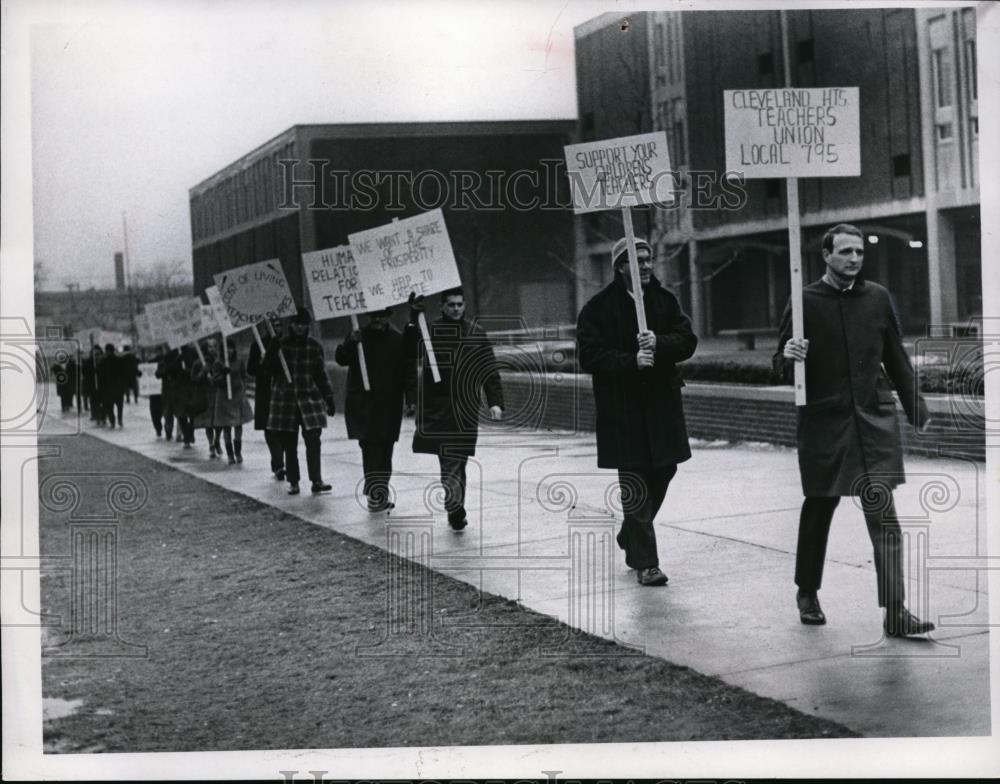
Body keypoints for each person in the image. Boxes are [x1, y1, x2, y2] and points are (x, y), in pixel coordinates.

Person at [775, 223, 935, 637]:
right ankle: (807, 592)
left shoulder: (878, 297)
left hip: (872, 420)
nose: (854, 259)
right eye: (845, 252)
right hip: (825, 423)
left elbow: (895, 356)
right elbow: (780, 364)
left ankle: (896, 610)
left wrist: (917, 408)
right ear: (826, 255)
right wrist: (788, 355)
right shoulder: (804, 299)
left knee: (885, 519)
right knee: (819, 508)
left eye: (859, 252)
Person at [577, 236, 698, 587]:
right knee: (635, 481)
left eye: (648, 259)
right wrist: (631, 361)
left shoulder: (664, 301)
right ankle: (647, 564)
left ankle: (632, 531)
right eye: (637, 260)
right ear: (620, 267)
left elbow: (687, 341)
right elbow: (590, 355)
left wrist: (659, 344)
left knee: (665, 468)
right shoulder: (598, 309)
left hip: (661, 405)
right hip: (623, 409)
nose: (646, 265)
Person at [406, 288, 503, 531]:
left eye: (460, 304)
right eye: (451, 305)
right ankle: (455, 508)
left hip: (466, 409)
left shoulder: (475, 333)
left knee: (459, 462)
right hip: (439, 409)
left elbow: (489, 371)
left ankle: (455, 506)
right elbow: (410, 349)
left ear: (465, 305)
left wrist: (495, 402)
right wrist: (412, 316)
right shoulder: (430, 331)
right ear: (442, 306)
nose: (456, 309)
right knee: (449, 461)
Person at [335, 307, 416, 512]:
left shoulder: (397, 340)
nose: (378, 320)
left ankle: (379, 493)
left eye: (381, 316)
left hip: (389, 402)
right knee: (371, 449)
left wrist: (411, 399)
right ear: (369, 317)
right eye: (374, 316)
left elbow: (408, 370)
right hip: (365, 402)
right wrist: (350, 342)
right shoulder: (358, 337)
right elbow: (342, 359)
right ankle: (375, 495)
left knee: (386, 449)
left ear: (388, 316)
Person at [264, 307, 337, 495]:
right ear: (291, 325)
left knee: (313, 441)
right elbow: (267, 370)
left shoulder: (313, 347)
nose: (299, 328)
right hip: (286, 401)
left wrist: (328, 397)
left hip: (308, 400)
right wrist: (272, 348)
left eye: (303, 324)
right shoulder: (281, 346)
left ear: (307, 326)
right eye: (296, 324)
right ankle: (294, 481)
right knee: (290, 444)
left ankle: (316, 479)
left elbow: (320, 374)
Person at [247, 319, 285, 480]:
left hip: (283, 390)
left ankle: (279, 460)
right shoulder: (258, 345)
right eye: (273, 324)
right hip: (265, 390)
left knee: (283, 428)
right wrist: (262, 363)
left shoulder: (286, 343)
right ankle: (278, 464)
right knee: (269, 429)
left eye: (279, 324)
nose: (276, 327)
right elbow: (251, 369)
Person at [209, 338, 254, 464]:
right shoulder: (218, 363)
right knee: (226, 426)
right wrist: (223, 374)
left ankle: (238, 452)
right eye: (226, 348)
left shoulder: (239, 361)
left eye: (231, 347)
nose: (229, 350)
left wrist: (243, 388)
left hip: (237, 396)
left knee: (238, 425)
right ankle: (230, 455)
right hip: (224, 398)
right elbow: (214, 381)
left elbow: (244, 376)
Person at [191, 339, 222, 457]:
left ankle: (217, 439)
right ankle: (211, 444)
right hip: (206, 395)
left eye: (215, 346)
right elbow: (193, 379)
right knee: (209, 423)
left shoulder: (220, 361)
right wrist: (202, 373)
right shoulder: (199, 363)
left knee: (219, 423)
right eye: (210, 347)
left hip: (218, 394)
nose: (213, 349)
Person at [97, 343, 126, 428]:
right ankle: (120, 420)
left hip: (108, 388)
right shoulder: (120, 360)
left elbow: (100, 375)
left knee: (110, 406)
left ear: (107, 351)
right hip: (119, 387)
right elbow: (123, 373)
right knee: (120, 406)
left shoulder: (103, 362)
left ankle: (112, 421)